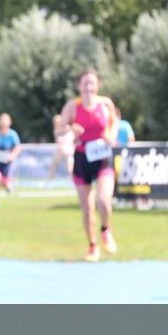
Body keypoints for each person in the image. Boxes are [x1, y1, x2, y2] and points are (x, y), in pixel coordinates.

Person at [59, 68, 119, 263]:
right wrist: (70, 129)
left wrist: (112, 135)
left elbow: (115, 122)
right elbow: (59, 129)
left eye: (92, 83)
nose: (89, 87)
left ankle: (106, 229)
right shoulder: (72, 107)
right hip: (82, 158)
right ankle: (92, 245)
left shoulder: (105, 104)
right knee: (87, 208)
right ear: (79, 86)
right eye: (85, 83)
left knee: (103, 200)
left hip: (102, 157)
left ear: (97, 85)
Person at [0, 113, 21, 208]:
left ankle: (8, 187)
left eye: (5, 123)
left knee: (6, 182)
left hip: (8, 162)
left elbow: (18, 147)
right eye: (2, 123)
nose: (3, 125)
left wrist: (13, 155)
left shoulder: (12, 134)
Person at [48, 113, 75, 183]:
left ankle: (74, 182)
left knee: (70, 168)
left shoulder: (67, 128)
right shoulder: (57, 130)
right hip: (60, 151)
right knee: (54, 166)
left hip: (67, 151)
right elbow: (59, 133)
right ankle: (49, 182)